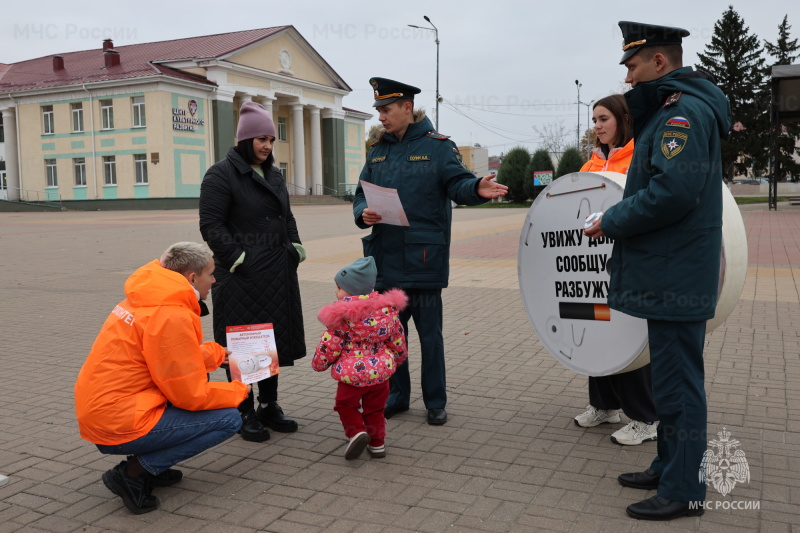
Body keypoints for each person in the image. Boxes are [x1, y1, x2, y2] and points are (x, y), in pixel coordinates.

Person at [584, 21, 731, 520]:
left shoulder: (681, 113)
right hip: (670, 269)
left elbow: (673, 193)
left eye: (632, 64)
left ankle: (684, 489)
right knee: (670, 380)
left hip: (676, 273)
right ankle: (669, 464)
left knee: (679, 384)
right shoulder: (668, 109)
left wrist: (612, 220)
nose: (627, 75)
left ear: (659, 62)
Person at [353, 77, 508, 426]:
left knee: (430, 337)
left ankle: (435, 401)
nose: (381, 116)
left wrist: (477, 188)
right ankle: (397, 396)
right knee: (391, 335)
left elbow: (459, 183)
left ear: (407, 108)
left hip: (423, 260)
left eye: (386, 109)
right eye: (378, 109)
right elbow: (361, 192)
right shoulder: (378, 150)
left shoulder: (439, 147)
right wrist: (362, 212)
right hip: (386, 259)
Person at [74, 242, 249, 514]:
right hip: (118, 423)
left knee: (182, 401)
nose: (214, 280)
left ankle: (154, 463)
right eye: (211, 274)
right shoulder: (171, 314)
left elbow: (165, 358)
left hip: (106, 410)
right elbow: (190, 395)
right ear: (192, 277)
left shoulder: (148, 296)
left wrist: (215, 354)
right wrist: (237, 390)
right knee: (228, 419)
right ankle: (134, 473)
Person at [200, 101, 306, 443]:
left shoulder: (274, 174)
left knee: (269, 339)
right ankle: (242, 409)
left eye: (271, 140)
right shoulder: (221, 173)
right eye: (261, 139)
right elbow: (211, 224)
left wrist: (295, 246)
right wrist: (237, 259)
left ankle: (269, 404)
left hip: (276, 270)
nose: (267, 146)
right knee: (243, 341)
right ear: (245, 139)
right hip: (242, 275)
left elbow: (286, 217)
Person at [574, 94, 659, 447]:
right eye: (594, 120)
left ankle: (645, 417)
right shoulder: (591, 164)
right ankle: (604, 404)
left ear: (623, 120)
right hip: (591, 265)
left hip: (629, 261)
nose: (597, 126)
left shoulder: (639, 158)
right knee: (596, 330)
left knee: (630, 337)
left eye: (604, 118)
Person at [311, 256, 408, 459]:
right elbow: (397, 339)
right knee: (375, 410)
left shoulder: (341, 317)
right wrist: (398, 359)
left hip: (351, 376)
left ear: (351, 290)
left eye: (338, 288)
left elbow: (330, 346)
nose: (335, 292)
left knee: (345, 405)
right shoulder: (388, 312)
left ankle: (356, 432)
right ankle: (377, 444)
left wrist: (319, 364)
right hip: (380, 375)